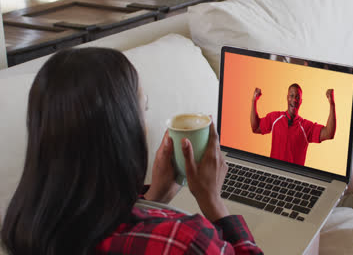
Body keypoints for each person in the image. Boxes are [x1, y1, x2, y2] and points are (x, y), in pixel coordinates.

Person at [0, 48, 263, 255]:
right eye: (143, 109)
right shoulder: (184, 240)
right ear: (122, 130)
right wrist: (213, 201)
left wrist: (154, 198)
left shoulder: (24, 227)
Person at [250, 84, 336, 166]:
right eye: (291, 96)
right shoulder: (275, 118)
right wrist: (254, 100)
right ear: (287, 98)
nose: (294, 100)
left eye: (297, 97)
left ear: (301, 101)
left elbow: (329, 133)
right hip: (274, 173)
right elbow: (256, 128)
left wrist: (332, 104)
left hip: (294, 177)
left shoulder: (306, 127)